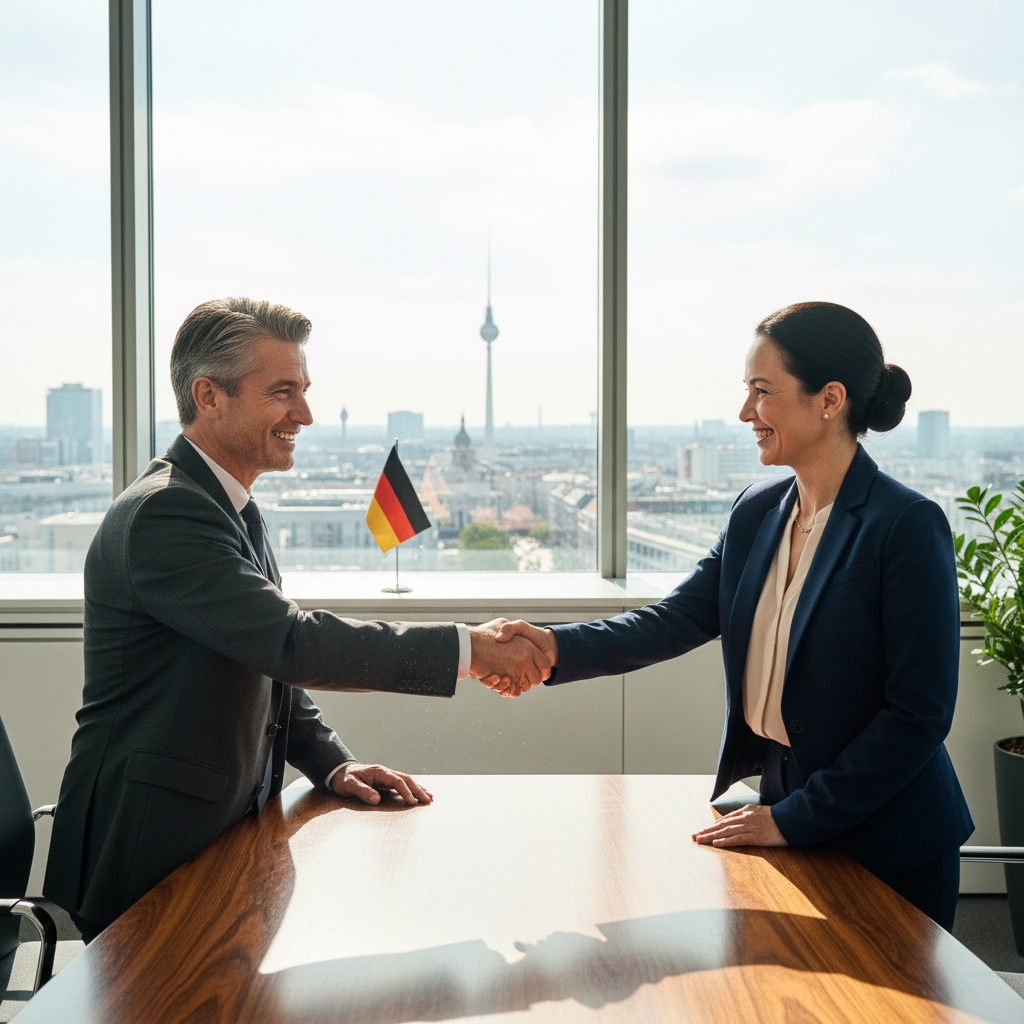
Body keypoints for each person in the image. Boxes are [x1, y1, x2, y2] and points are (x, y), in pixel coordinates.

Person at [43, 297, 550, 942]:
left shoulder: (232, 506)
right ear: (210, 396)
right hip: (149, 848)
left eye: (304, 392)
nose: (305, 415)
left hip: (218, 835)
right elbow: (291, 643)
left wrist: (332, 764)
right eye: (283, 392)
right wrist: (469, 650)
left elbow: (263, 659)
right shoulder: (168, 514)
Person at [489, 301, 973, 931]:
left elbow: (919, 713)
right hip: (785, 811)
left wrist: (794, 817)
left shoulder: (904, 525)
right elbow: (676, 620)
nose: (745, 413)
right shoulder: (758, 511)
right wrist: (552, 648)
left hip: (888, 840)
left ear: (830, 399)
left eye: (762, 392)